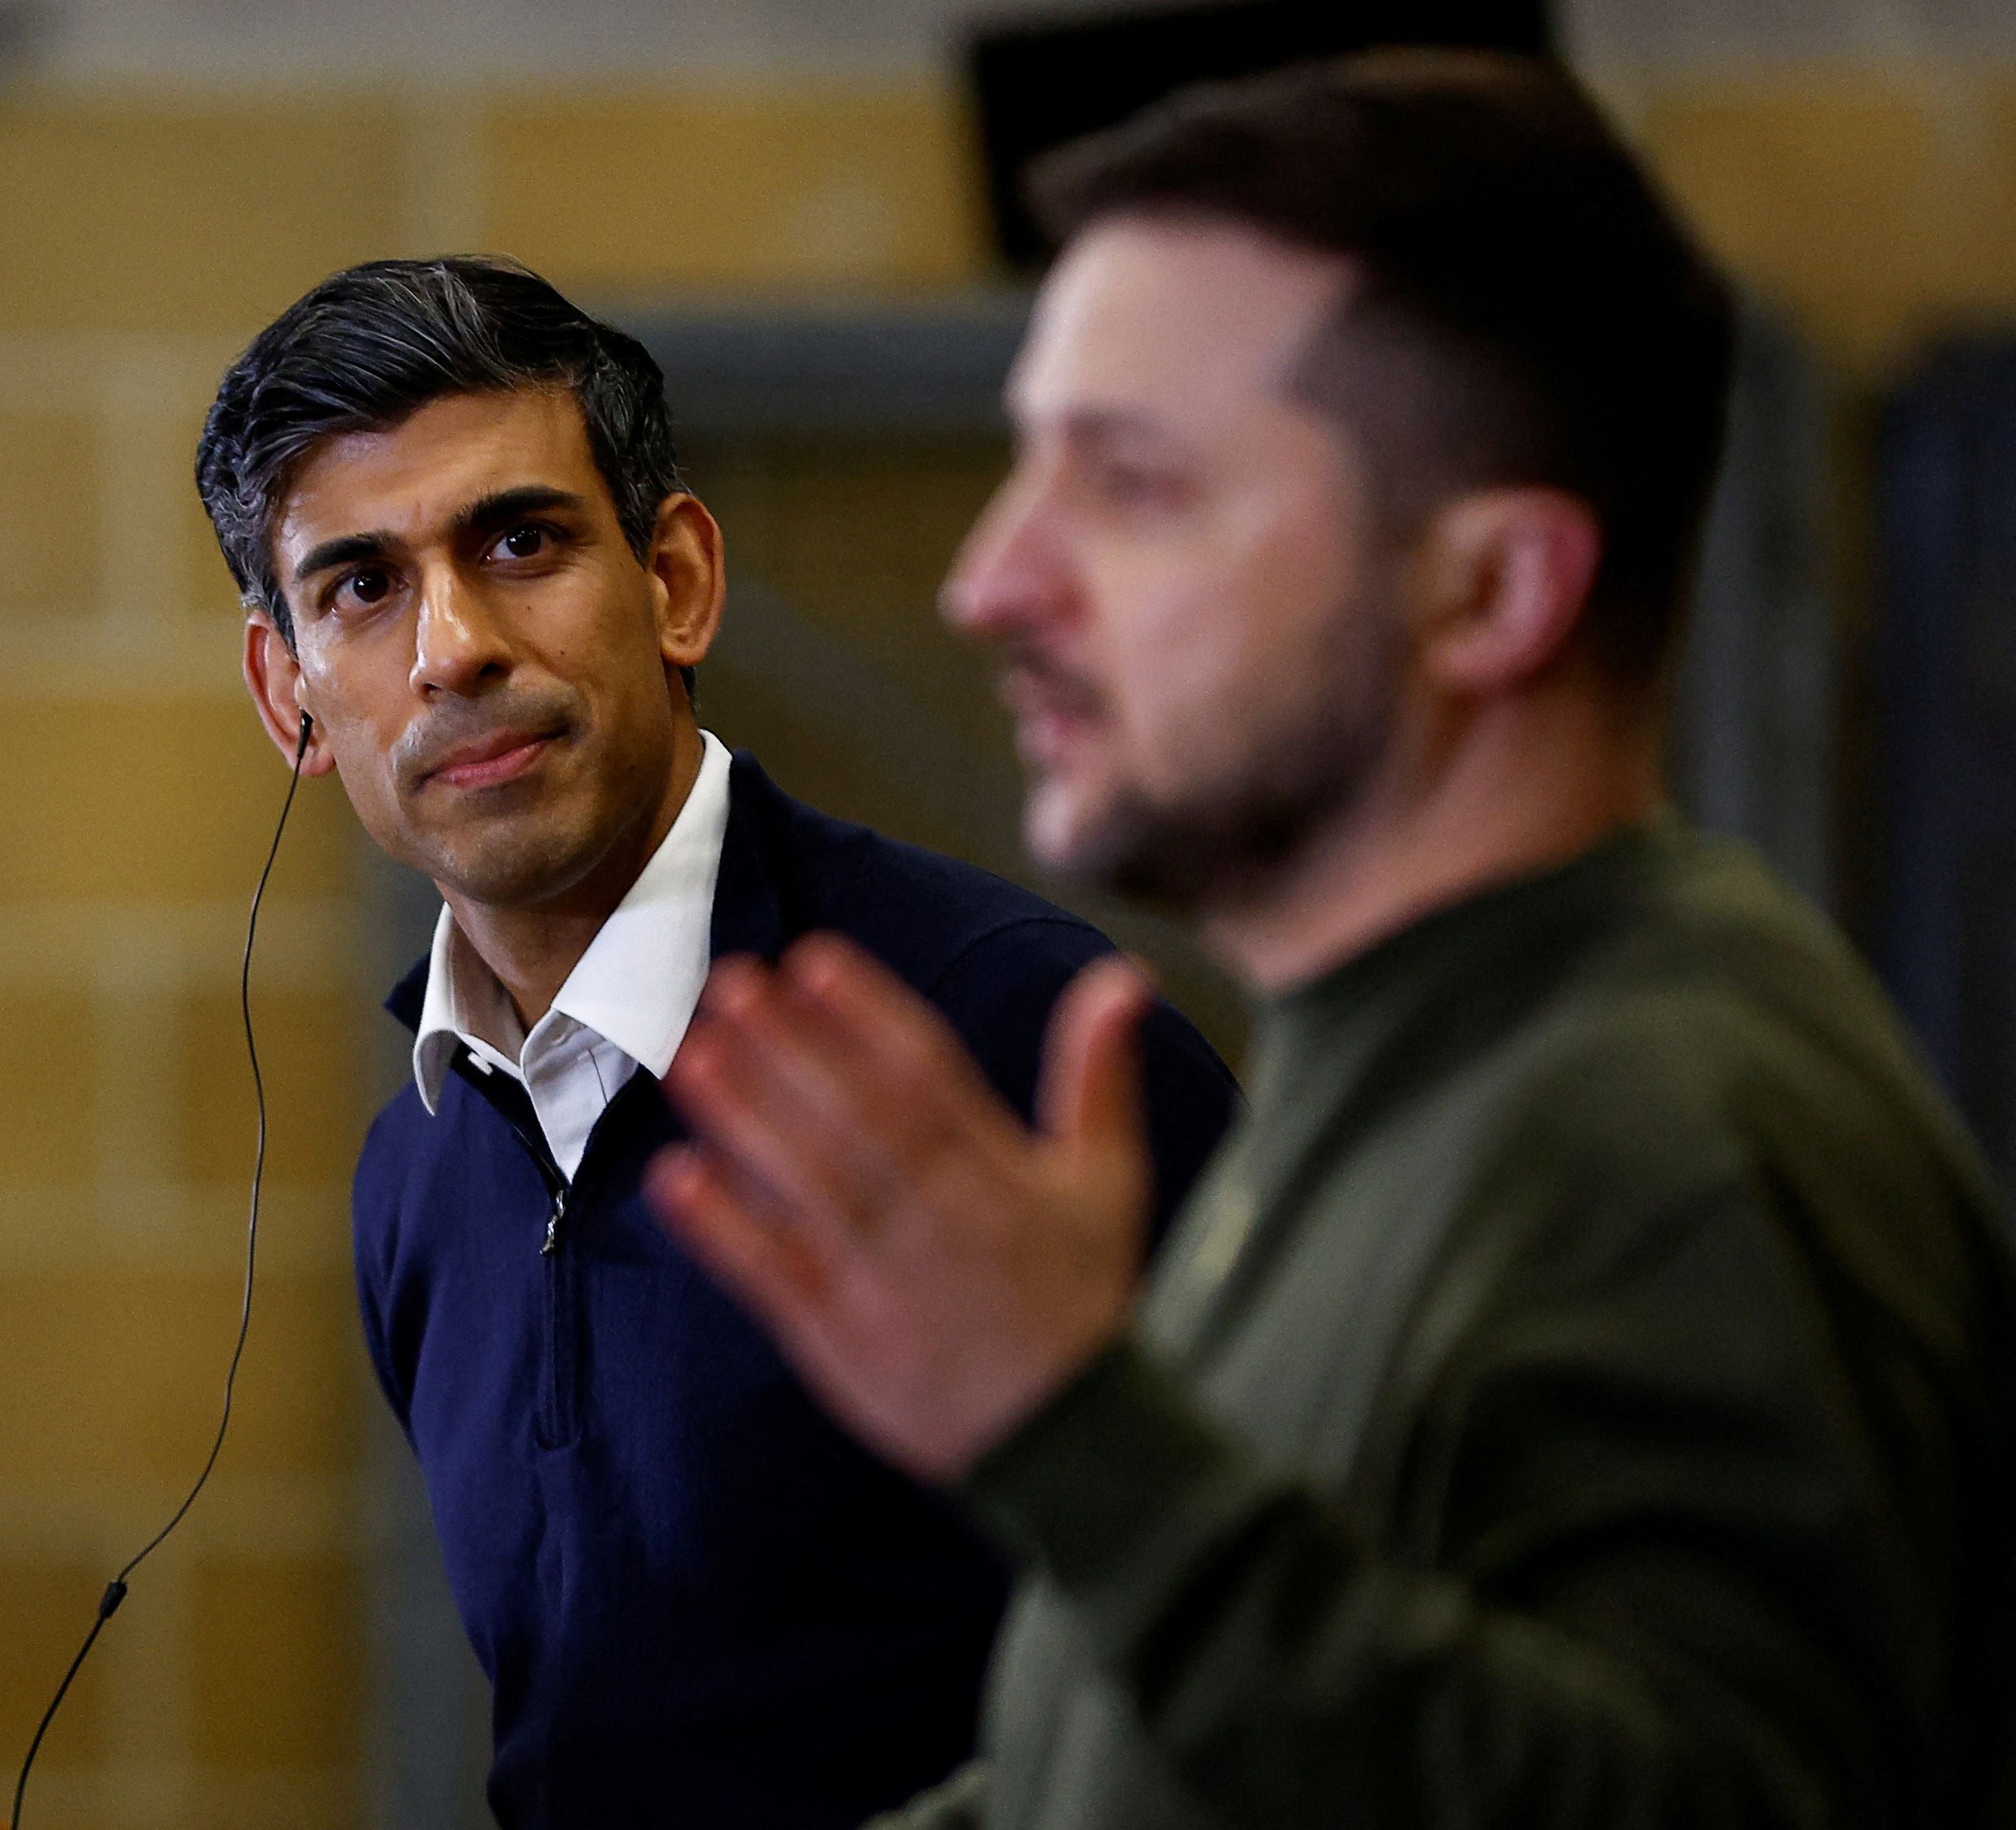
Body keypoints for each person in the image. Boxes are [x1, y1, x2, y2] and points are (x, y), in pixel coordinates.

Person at [648, 51, 2016, 1830]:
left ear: (1487, 590)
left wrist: (1060, 1430)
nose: (990, 580)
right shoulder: (1391, 1060)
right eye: (1026, 470)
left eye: (1125, 485)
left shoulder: (1673, 1132)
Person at [192, 257, 1239, 1830]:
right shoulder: (412, 1171)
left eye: (520, 542)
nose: (452, 648)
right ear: (289, 697)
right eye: (362, 586)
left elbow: (1282, 1699)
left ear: (674, 581)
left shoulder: (1006, 1034)